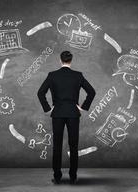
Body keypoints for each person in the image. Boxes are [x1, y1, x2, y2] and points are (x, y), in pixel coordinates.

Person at [37, 50, 96, 184]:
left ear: (60, 60)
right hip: (73, 114)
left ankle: (57, 176)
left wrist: (48, 108)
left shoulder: (52, 75)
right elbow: (92, 92)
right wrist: (83, 106)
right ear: (71, 60)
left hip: (57, 113)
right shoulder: (78, 76)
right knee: (74, 146)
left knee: (57, 146)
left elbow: (40, 93)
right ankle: (73, 176)